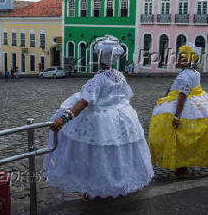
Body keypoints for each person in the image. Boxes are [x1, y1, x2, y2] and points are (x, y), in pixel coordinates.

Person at [43, 35, 153, 200]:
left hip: (100, 123)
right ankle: (118, 182)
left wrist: (64, 119)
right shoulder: (119, 76)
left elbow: (83, 102)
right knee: (117, 153)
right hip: (121, 119)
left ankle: (92, 188)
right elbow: (125, 96)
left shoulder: (98, 79)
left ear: (99, 57)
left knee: (94, 155)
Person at [148, 43, 208, 177]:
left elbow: (182, 97)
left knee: (176, 136)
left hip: (184, 107)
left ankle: (181, 167)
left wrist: (176, 117)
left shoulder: (184, 76)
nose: (178, 60)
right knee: (187, 136)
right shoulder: (195, 72)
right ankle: (185, 164)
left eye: (181, 58)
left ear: (188, 60)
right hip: (198, 105)